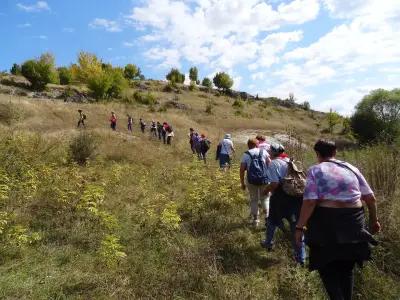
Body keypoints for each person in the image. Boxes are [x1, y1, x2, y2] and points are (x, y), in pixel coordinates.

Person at [295, 140, 380, 300]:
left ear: (318, 154)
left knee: (327, 267)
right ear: (334, 152)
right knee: (346, 269)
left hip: (327, 224)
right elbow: (370, 198)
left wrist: (299, 227)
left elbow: (310, 201)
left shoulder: (315, 170)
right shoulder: (351, 168)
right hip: (354, 223)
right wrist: (374, 220)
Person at [262, 143, 306, 265]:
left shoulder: (273, 163)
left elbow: (275, 184)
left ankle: (268, 242)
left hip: (280, 198)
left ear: (273, 152)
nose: (269, 152)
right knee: (296, 227)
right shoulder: (290, 161)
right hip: (296, 198)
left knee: (272, 221)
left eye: (270, 150)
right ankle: (300, 259)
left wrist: (265, 191)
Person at [240, 138, 269, 227]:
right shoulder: (264, 152)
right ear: (257, 145)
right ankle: (267, 218)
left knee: (254, 200)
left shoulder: (246, 154)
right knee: (265, 199)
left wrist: (242, 183)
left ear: (248, 146)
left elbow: (242, 170)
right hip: (264, 179)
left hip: (251, 180)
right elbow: (269, 164)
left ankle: (256, 220)